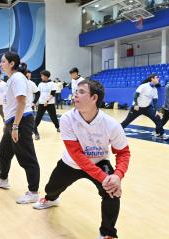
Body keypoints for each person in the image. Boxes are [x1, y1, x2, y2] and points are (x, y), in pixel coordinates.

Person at [33, 80, 130, 239]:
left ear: (94, 98)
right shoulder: (67, 119)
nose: (75, 94)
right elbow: (77, 155)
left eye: (81, 92)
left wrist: (117, 176)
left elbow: (123, 153)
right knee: (51, 188)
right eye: (76, 91)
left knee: (112, 192)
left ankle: (107, 233)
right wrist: (105, 178)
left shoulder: (111, 125)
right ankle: (51, 199)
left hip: (99, 162)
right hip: (71, 163)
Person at [0, 51, 40, 204]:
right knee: (3, 151)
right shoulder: (12, 79)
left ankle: (33, 192)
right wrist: (7, 124)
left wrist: (16, 126)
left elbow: (21, 103)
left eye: (3, 61)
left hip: (22, 121)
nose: (0, 64)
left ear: (12, 64)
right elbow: (11, 105)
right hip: (12, 121)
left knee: (26, 157)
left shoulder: (18, 78)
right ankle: (3, 179)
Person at [120, 74, 168, 140]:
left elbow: (155, 101)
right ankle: (117, 130)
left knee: (157, 118)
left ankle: (161, 134)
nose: (158, 79)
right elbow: (135, 95)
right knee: (127, 121)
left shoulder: (155, 89)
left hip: (147, 108)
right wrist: (136, 104)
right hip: (137, 108)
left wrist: (156, 110)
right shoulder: (143, 86)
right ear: (152, 79)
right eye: (157, 78)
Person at [33, 70, 60, 140]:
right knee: (38, 118)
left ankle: (58, 127)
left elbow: (53, 93)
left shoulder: (52, 84)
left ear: (46, 76)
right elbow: (38, 94)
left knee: (53, 117)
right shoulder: (40, 84)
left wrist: (47, 101)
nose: (41, 77)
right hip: (41, 104)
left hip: (50, 103)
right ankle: (35, 130)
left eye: (42, 75)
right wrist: (37, 102)